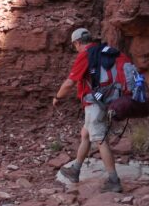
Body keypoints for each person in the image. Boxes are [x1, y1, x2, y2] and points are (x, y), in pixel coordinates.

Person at [52, 27, 122, 193]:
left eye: (74, 45)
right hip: (106, 98)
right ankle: (75, 170)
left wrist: (58, 97)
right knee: (86, 134)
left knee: (99, 138)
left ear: (77, 43)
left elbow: (70, 82)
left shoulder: (85, 55)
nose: (75, 48)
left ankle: (114, 180)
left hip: (94, 103)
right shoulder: (101, 51)